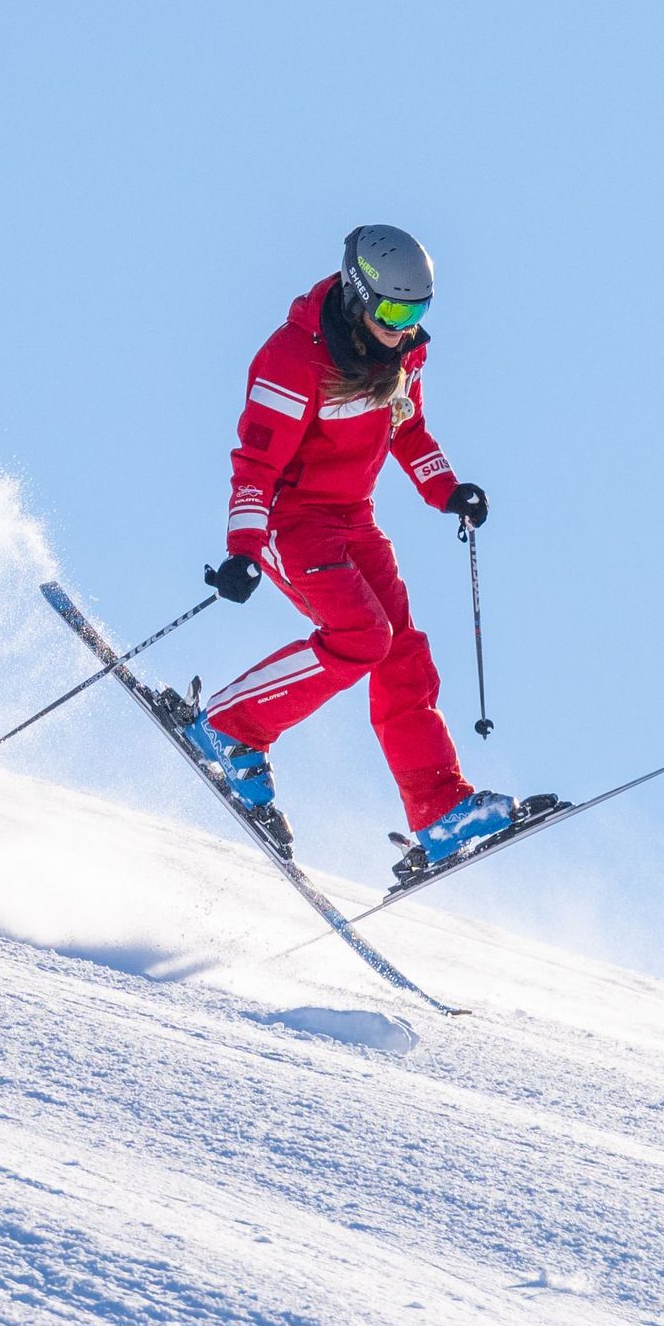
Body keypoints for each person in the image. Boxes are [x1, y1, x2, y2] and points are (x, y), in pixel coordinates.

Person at [176, 223, 522, 866]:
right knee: (361, 637)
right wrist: (244, 548)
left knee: (402, 650)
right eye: (392, 312)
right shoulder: (294, 358)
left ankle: (439, 810)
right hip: (289, 523)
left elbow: (407, 428)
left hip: (352, 518)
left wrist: (447, 489)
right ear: (360, 295)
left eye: (416, 313)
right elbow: (255, 461)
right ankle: (228, 727)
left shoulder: (403, 354)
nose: (403, 328)